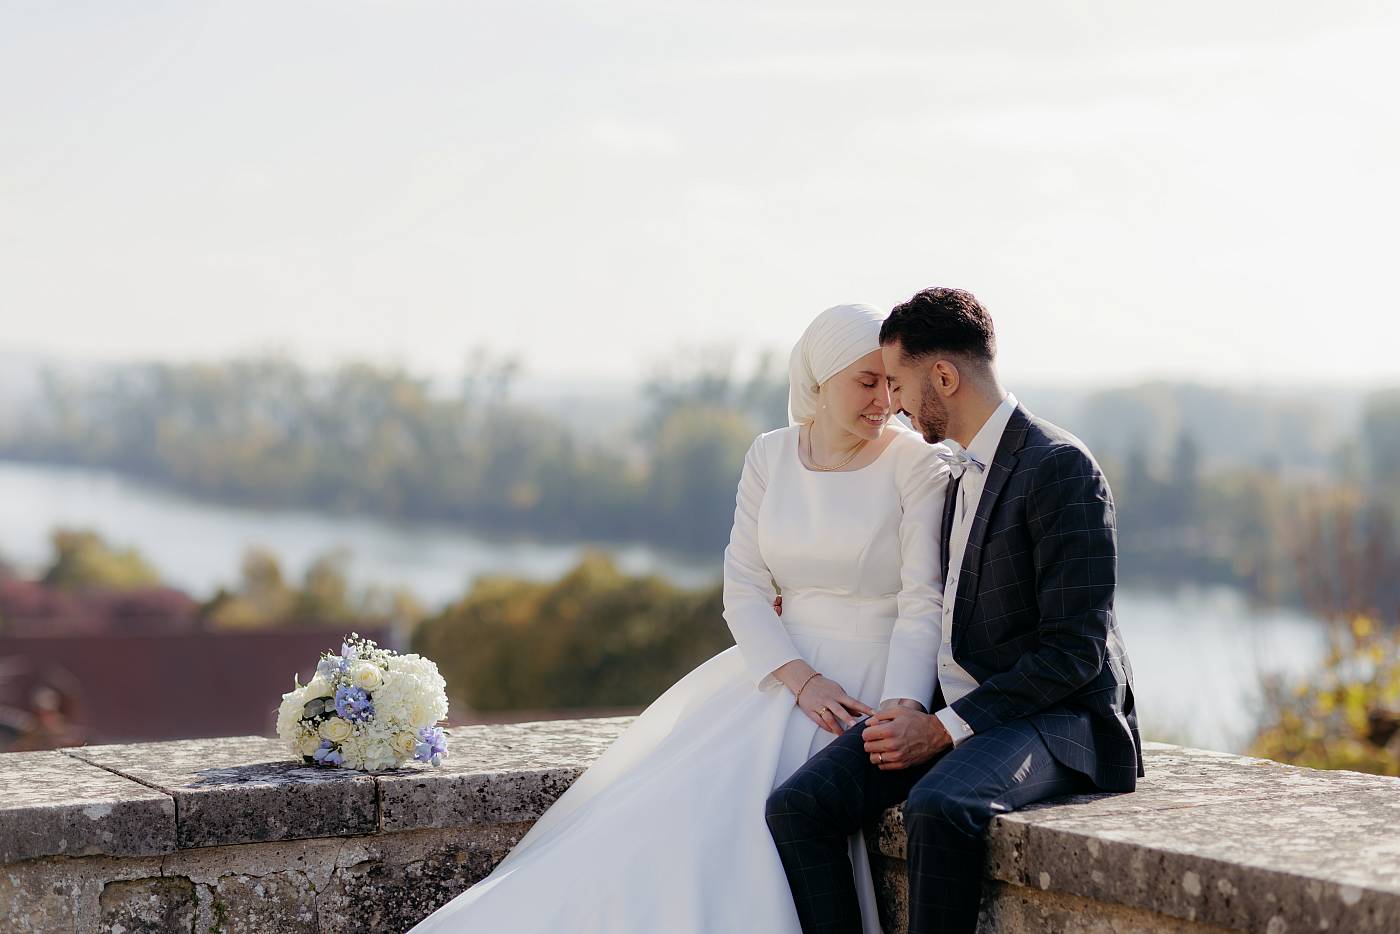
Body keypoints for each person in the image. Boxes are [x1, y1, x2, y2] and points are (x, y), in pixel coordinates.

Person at [405, 303, 951, 933]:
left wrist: (902, 705)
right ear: (820, 380)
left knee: (746, 821)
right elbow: (743, 587)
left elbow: (923, 599)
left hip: (868, 679)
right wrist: (800, 679)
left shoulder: (915, 465)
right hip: (780, 674)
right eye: (866, 381)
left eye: (890, 381)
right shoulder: (769, 456)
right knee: (658, 811)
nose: (884, 398)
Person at [765, 286, 1144, 934]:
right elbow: (912, 586)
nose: (895, 405)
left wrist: (945, 729)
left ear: (942, 376)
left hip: (1059, 719)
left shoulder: (1062, 468)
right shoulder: (950, 468)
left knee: (938, 807)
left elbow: (1074, 652)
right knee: (800, 806)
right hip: (958, 709)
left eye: (900, 385)